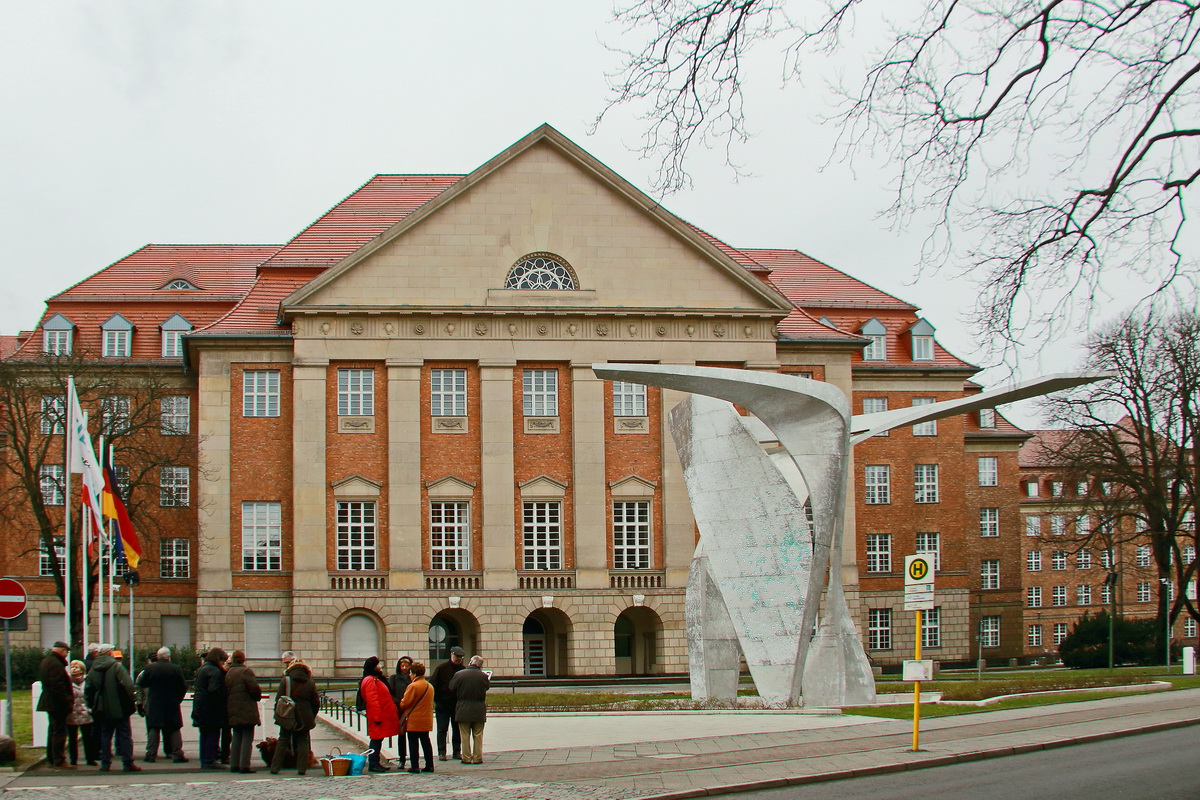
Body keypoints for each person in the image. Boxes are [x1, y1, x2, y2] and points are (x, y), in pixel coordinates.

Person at [83, 643, 140, 772]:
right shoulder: (116, 667)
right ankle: (127, 763)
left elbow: (88, 689)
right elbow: (128, 685)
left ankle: (105, 763)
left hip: (102, 708)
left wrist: (91, 705)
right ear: (109, 653)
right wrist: (133, 699)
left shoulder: (93, 668)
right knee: (124, 735)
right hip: (119, 706)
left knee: (105, 736)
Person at [270, 653, 319, 775]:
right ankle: (302, 768)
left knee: (283, 739)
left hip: (288, 714)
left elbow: (279, 699)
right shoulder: (310, 683)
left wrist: (278, 714)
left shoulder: (286, 681)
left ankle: (275, 767)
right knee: (303, 741)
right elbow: (316, 703)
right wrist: (311, 715)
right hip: (305, 715)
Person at [136, 647, 188, 763]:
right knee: (174, 728)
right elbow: (183, 686)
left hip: (155, 702)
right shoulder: (175, 669)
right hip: (171, 702)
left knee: (154, 728)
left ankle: (150, 754)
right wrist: (177, 699)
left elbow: (142, 683)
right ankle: (177, 754)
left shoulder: (149, 668)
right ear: (168, 657)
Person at [36, 640, 73, 769]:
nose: (67, 654)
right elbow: (58, 686)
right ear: (61, 650)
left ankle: (52, 758)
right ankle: (59, 760)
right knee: (59, 732)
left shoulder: (47, 661)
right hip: (57, 704)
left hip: (50, 701)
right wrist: (67, 702)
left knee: (53, 731)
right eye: (66, 652)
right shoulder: (56, 664)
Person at [359, 656, 399, 772]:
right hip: (377, 716)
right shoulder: (370, 680)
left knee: (378, 739)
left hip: (380, 715)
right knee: (376, 740)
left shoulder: (374, 679)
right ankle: (373, 763)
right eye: (378, 665)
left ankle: (375, 762)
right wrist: (377, 717)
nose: (380, 667)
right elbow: (373, 700)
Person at [191, 647, 229, 769]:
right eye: (222, 661)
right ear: (218, 659)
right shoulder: (214, 671)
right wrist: (220, 705)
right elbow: (214, 690)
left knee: (204, 735)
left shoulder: (203, 668)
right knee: (212, 735)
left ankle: (204, 760)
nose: (223, 664)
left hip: (200, 706)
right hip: (210, 709)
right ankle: (210, 760)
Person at [225, 650, 262, 774]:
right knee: (247, 738)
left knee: (236, 736)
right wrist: (257, 696)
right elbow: (254, 689)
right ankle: (244, 765)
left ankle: (234, 764)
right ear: (243, 659)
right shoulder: (246, 671)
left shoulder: (229, 672)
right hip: (246, 708)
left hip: (233, 708)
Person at [448, 655, 490, 764]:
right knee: (478, 734)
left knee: (465, 735)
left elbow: (451, 687)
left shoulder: (459, 674)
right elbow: (487, 687)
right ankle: (477, 757)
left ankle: (466, 757)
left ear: (471, 662)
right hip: (479, 709)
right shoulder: (483, 676)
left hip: (463, 708)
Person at [398, 661, 435, 774]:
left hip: (414, 720)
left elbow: (405, 703)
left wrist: (401, 701)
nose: (409, 675)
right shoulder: (429, 686)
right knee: (426, 742)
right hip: (426, 719)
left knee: (413, 743)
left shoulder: (413, 686)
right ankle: (429, 765)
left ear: (414, 673)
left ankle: (415, 766)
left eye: (410, 673)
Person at [430, 646, 465, 761]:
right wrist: (437, 699)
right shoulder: (441, 668)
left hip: (457, 704)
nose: (458, 659)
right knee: (442, 729)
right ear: (451, 655)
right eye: (456, 656)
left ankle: (456, 751)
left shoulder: (463, 670)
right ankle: (441, 752)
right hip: (443, 704)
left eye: (460, 657)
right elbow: (432, 684)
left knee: (457, 729)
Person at [66, 660, 96, 767]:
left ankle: (90, 758)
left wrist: (90, 708)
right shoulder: (67, 681)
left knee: (87, 737)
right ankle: (73, 760)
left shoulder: (87, 681)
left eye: (76, 667)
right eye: (72, 667)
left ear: (82, 670)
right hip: (72, 713)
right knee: (72, 738)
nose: (74, 669)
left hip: (85, 712)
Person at [387, 655, 413, 770]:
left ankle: (413, 758)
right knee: (401, 735)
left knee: (413, 735)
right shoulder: (394, 678)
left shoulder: (412, 678)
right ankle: (402, 758)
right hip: (399, 710)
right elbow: (390, 693)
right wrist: (398, 701)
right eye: (402, 666)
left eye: (406, 666)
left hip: (411, 710)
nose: (404, 668)